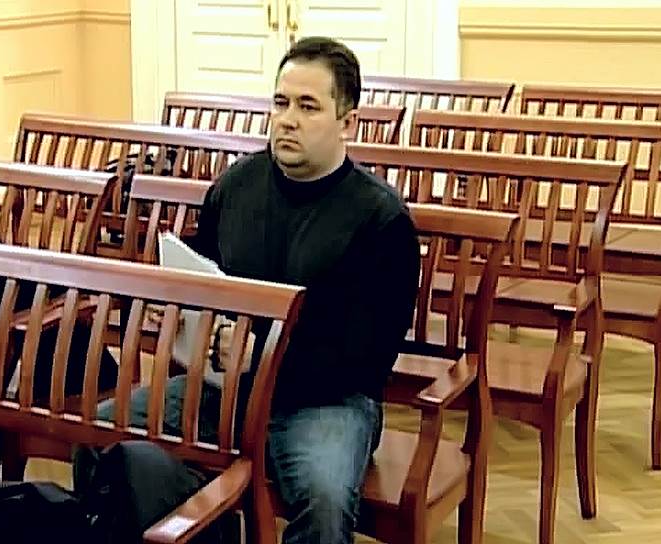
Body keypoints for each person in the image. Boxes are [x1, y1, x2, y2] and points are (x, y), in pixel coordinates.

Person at [97, 37, 420, 543]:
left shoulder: (381, 218)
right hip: (225, 390)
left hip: (325, 403)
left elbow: (369, 357)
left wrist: (263, 355)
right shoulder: (235, 187)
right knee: (101, 432)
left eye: (308, 106)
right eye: (281, 102)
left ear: (348, 123)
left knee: (325, 502)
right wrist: (174, 309)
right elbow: (203, 274)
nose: (287, 120)